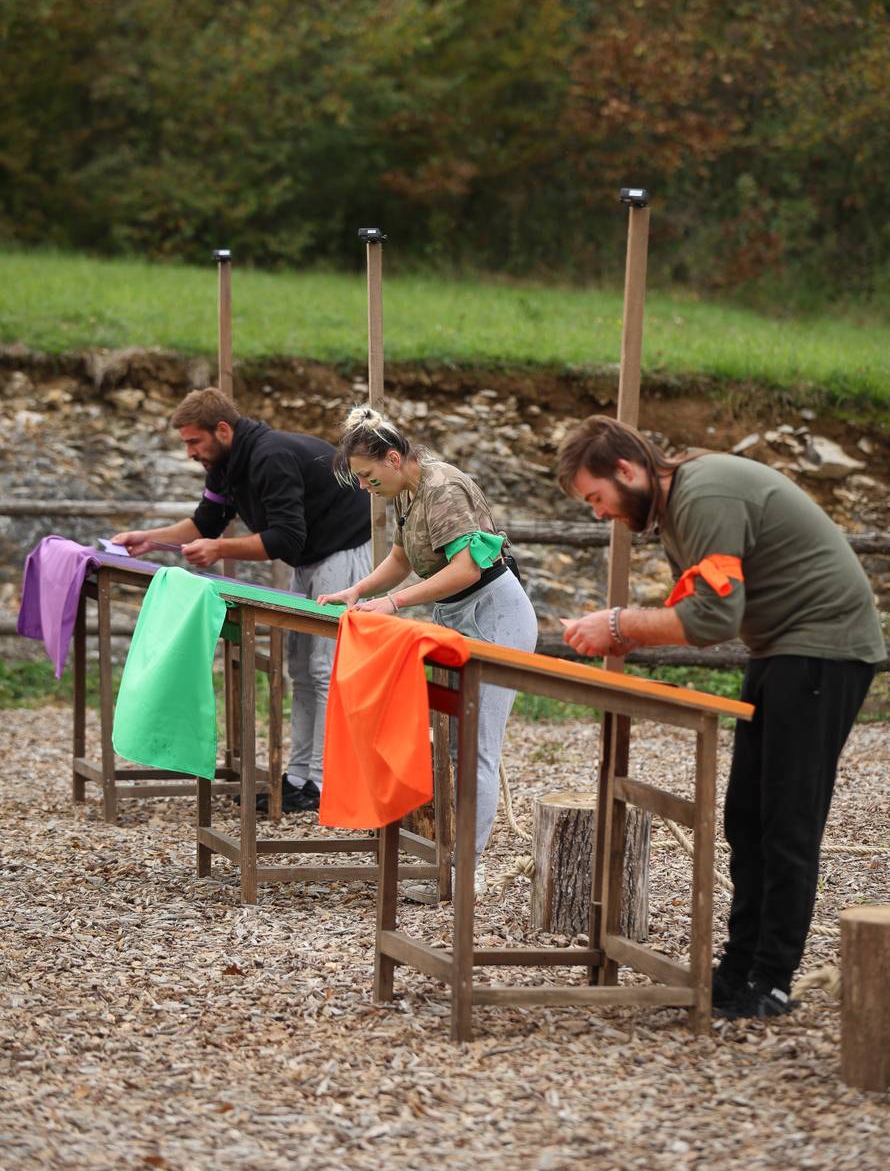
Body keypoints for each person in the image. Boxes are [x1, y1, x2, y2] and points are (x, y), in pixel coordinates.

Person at [556, 415, 884, 1020]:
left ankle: (772, 980)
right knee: (747, 818)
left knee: (786, 820)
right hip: (781, 650)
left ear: (626, 471)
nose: (598, 514)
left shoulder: (705, 495)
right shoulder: (680, 504)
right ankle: (739, 970)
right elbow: (703, 607)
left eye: (596, 498)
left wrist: (620, 625)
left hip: (822, 649)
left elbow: (712, 620)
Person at [112, 388, 371, 814]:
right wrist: (151, 539)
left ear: (223, 429)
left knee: (323, 669)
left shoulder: (270, 457)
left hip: (344, 550)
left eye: (194, 441)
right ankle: (299, 777)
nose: (191, 452)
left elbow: (286, 537)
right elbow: (204, 522)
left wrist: (219, 550)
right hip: (312, 557)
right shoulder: (225, 463)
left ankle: (322, 781)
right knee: (301, 669)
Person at [317, 405, 538, 897]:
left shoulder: (443, 487)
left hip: (495, 617)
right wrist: (358, 591)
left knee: (476, 749)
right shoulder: (407, 491)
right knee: (453, 746)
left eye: (370, 477)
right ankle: (447, 866)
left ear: (394, 458)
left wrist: (393, 603)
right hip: (456, 619)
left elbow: (465, 569)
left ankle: (466, 873)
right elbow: (401, 558)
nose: (367, 488)